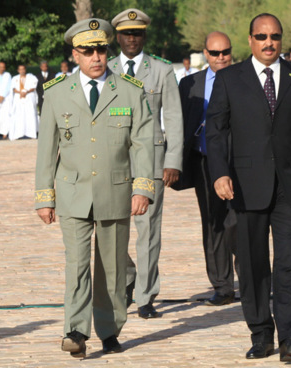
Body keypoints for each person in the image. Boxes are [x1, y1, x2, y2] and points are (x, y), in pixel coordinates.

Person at [35, 18, 154, 358]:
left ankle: (109, 327)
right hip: (72, 193)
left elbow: (143, 142)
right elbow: (47, 149)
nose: (96, 57)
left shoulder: (129, 90)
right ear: (75, 54)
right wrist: (45, 197)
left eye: (101, 49)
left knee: (112, 268)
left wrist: (142, 188)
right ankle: (74, 329)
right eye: (87, 51)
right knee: (77, 265)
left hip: (115, 191)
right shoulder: (57, 94)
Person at [206, 13, 291, 362]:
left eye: (274, 36)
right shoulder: (229, 78)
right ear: (250, 39)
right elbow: (215, 132)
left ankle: (290, 337)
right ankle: (261, 334)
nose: (268, 42)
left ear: (281, 39)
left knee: (287, 262)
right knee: (255, 264)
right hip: (245, 185)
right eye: (261, 36)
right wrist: (219, 173)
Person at [109, 8, 183, 319]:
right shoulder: (106, 67)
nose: (131, 38)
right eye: (126, 33)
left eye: (137, 33)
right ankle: (128, 278)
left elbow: (174, 117)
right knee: (109, 228)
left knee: (149, 231)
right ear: (118, 37)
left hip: (151, 161)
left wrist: (173, 159)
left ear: (144, 36)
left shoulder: (161, 71)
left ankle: (145, 296)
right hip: (114, 162)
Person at [174, 31, 236, 306]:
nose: (221, 58)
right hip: (203, 162)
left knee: (240, 222)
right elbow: (178, 126)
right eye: (215, 53)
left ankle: (250, 279)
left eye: (225, 52)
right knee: (213, 223)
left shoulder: (245, 80)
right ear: (206, 54)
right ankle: (222, 285)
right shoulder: (190, 84)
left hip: (238, 163)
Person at [10, 64, 39, 140]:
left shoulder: (31, 77)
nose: (22, 71)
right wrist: (21, 92)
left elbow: (33, 87)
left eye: (23, 69)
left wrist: (26, 92)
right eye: (20, 69)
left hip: (28, 97)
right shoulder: (14, 78)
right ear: (18, 70)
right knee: (19, 116)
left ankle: (31, 134)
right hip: (19, 98)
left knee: (30, 115)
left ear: (25, 70)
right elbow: (13, 89)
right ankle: (18, 134)